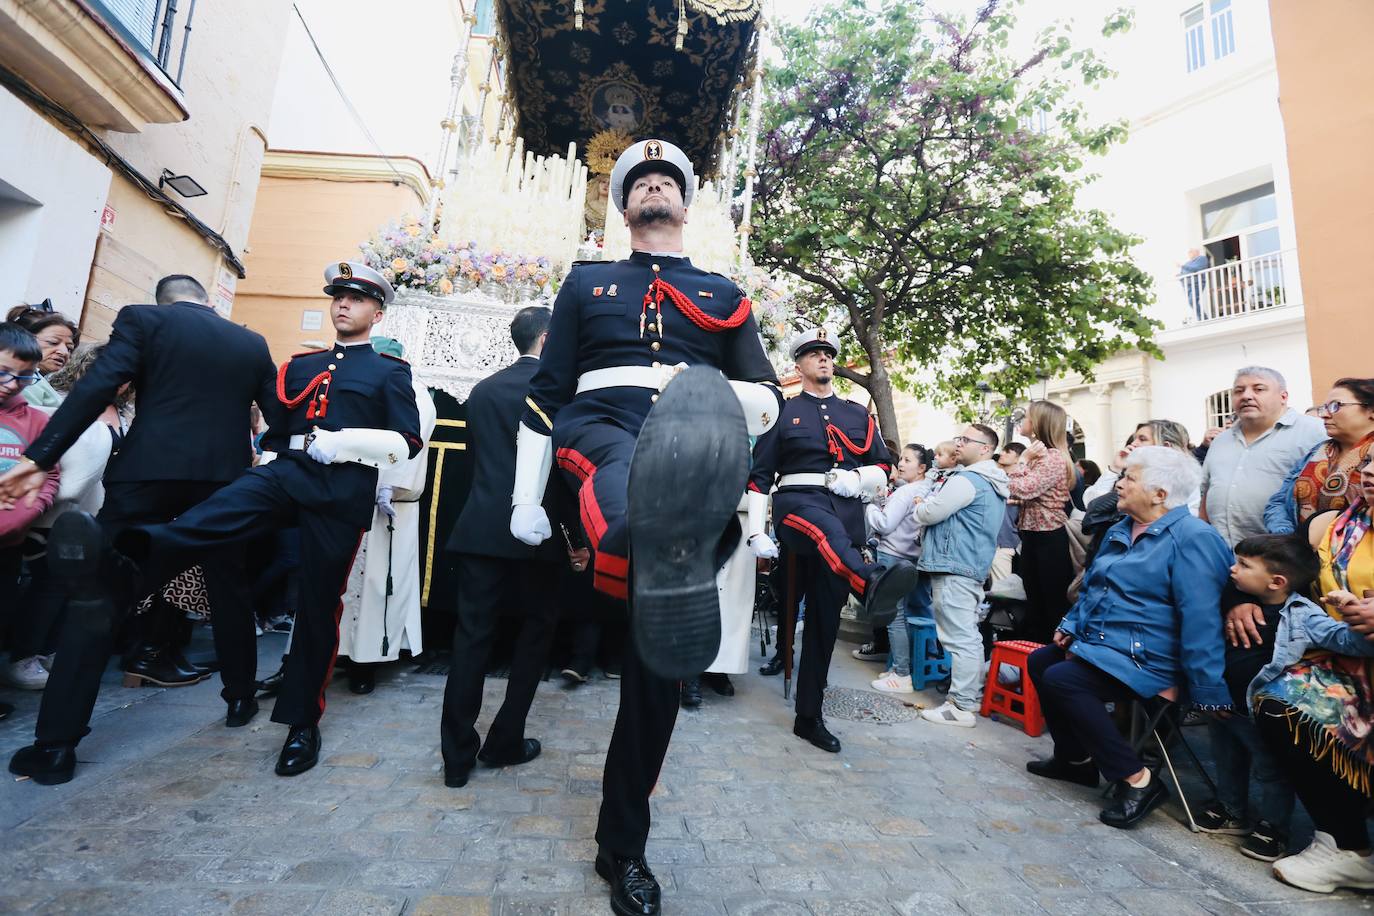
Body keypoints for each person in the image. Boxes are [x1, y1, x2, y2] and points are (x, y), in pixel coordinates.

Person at [508, 139, 782, 916]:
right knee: (631, 481)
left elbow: (764, 397)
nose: (652, 184)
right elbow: (545, 396)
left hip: (691, 442)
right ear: (623, 208)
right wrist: (525, 500)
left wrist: (720, 407)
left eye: (666, 179)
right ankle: (666, 540)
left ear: (684, 206)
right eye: (639, 181)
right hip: (602, 431)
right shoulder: (585, 282)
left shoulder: (723, 292)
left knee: (656, 678)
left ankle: (621, 845)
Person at [1, 274, 273, 785]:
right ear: (208, 301)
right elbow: (278, 419)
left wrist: (40, 457)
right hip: (224, 480)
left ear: (162, 302)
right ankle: (239, 699)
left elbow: (98, 387)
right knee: (229, 587)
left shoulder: (143, 320)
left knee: (99, 594)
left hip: (146, 475)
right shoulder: (250, 341)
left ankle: (56, 746)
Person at [1025, 446, 1232, 828]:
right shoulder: (1122, 527)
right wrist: (1071, 626)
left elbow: (1201, 619)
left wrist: (1205, 688)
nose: (1119, 485)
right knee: (1041, 661)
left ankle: (1137, 779)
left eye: (1129, 478)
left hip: (1154, 659)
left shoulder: (1194, 538)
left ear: (1160, 495)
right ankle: (1076, 761)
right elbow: (1094, 589)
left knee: (1064, 679)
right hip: (1112, 645)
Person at [747, 327, 915, 752]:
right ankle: (869, 580)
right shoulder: (783, 412)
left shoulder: (858, 414)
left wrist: (858, 477)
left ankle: (809, 716)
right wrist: (755, 533)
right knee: (821, 528)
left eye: (827, 353)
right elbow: (760, 478)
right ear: (799, 364)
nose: (823, 359)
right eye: (813, 353)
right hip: (798, 506)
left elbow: (882, 468)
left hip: (846, 515)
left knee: (824, 620)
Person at [440, 306, 567, 788]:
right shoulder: (557, 394)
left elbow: (478, 466)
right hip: (538, 533)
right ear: (550, 338)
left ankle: (456, 757)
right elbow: (560, 476)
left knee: (471, 639)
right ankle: (505, 739)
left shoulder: (484, 389)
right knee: (533, 638)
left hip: (481, 529)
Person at [1249, 456, 1374, 893]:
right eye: (1372, 461)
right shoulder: (1336, 525)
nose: (1372, 472)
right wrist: (1242, 599)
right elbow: (1283, 569)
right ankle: (1343, 845)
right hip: (1344, 658)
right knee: (1281, 705)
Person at [4, 344, 132, 691]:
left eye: (126, 377)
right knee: (47, 585)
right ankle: (23, 657)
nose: (120, 383)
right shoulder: (58, 399)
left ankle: (46, 651)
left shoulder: (124, 411)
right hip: (48, 508)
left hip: (91, 510)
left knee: (71, 586)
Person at [1197, 534, 1317, 862]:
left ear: (1277, 581)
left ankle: (1274, 827)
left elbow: (1335, 636)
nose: (1232, 570)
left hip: (1260, 710)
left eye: (1243, 565)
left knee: (1271, 770)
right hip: (1223, 701)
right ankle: (1232, 809)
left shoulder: (1299, 615)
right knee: (1226, 757)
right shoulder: (1234, 599)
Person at [336, 336, 437, 693]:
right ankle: (340, 652)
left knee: (379, 583)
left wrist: (388, 486)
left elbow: (410, 444)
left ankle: (369, 660)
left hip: (388, 505)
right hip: (348, 495)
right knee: (342, 582)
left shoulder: (415, 393)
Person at [911, 424, 1009, 725]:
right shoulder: (992, 481)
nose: (957, 444)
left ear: (985, 449)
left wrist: (920, 507)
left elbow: (930, 512)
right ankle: (964, 700)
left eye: (965, 440)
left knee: (960, 637)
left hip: (956, 564)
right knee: (964, 634)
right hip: (968, 564)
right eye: (957, 438)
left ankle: (962, 706)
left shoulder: (969, 480)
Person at [0, 323, 62, 713]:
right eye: (4, 373)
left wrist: (26, 514)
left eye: (23, 377)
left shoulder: (36, 421)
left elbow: (48, 476)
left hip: (7, 543)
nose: (11, 384)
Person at [1200, 366, 1326, 547]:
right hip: (1222, 555)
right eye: (1239, 391)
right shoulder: (1221, 440)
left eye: (1258, 389)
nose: (1246, 396)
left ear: (1283, 397)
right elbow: (1207, 490)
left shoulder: (1314, 432)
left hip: (1284, 557)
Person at [1264, 377, 1374, 535]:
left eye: (1336, 406)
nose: (1325, 415)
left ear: (1371, 411)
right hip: (1302, 554)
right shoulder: (1317, 451)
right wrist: (1291, 540)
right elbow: (1278, 502)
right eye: (1325, 408)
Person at [1007, 400, 1077, 643]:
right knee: (1035, 603)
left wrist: (1022, 461)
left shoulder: (1052, 458)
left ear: (1038, 425)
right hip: (1033, 536)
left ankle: (1050, 661)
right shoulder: (1041, 456)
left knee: (1050, 606)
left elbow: (1022, 488)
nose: (1021, 420)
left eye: (1026, 416)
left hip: (1050, 538)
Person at [866, 443, 933, 694]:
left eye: (907, 460)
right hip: (911, 557)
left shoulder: (906, 493)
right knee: (903, 614)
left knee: (894, 615)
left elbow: (885, 523)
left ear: (922, 467)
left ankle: (902, 673)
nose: (901, 464)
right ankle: (897, 667)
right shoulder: (928, 489)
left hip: (892, 555)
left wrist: (871, 506)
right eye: (901, 459)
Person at [6, 303, 78, 408]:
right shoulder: (22, 380)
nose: (64, 352)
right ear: (23, 338)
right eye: (53, 342)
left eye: (69, 348)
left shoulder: (36, 379)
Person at [1178, 248, 1210, 322]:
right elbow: (1183, 273)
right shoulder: (1187, 263)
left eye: (1191, 251)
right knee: (1191, 302)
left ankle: (1203, 318)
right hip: (1187, 286)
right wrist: (1179, 276)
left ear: (1197, 252)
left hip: (1197, 283)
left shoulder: (1201, 259)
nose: (1189, 253)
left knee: (1192, 301)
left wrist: (1182, 266)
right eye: (1189, 252)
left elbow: (1196, 269)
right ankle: (1201, 317)